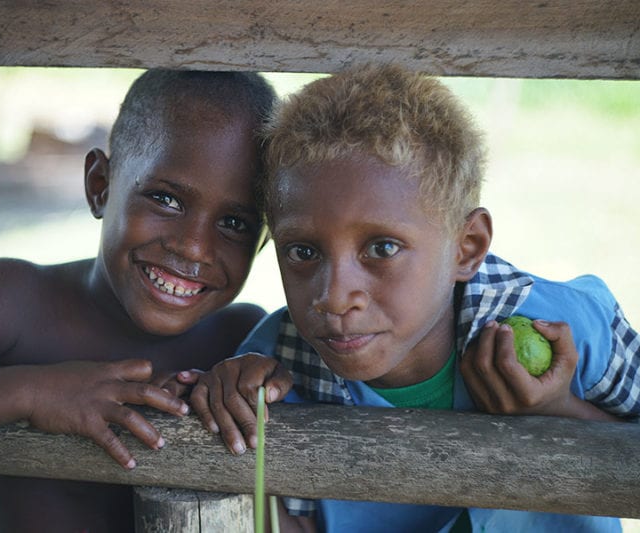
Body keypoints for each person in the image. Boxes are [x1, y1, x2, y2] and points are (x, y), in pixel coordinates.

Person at [184, 64, 640, 532]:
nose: (334, 297)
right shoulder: (274, 370)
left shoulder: (568, 331)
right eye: (303, 251)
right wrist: (228, 413)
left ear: (467, 247)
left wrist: (556, 413)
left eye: (382, 249)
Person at [0, 69, 276, 532]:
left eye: (235, 223)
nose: (194, 247)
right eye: (166, 199)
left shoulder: (244, 342)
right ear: (100, 185)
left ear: (265, 239)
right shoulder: (17, 301)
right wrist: (33, 393)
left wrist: (249, 385)